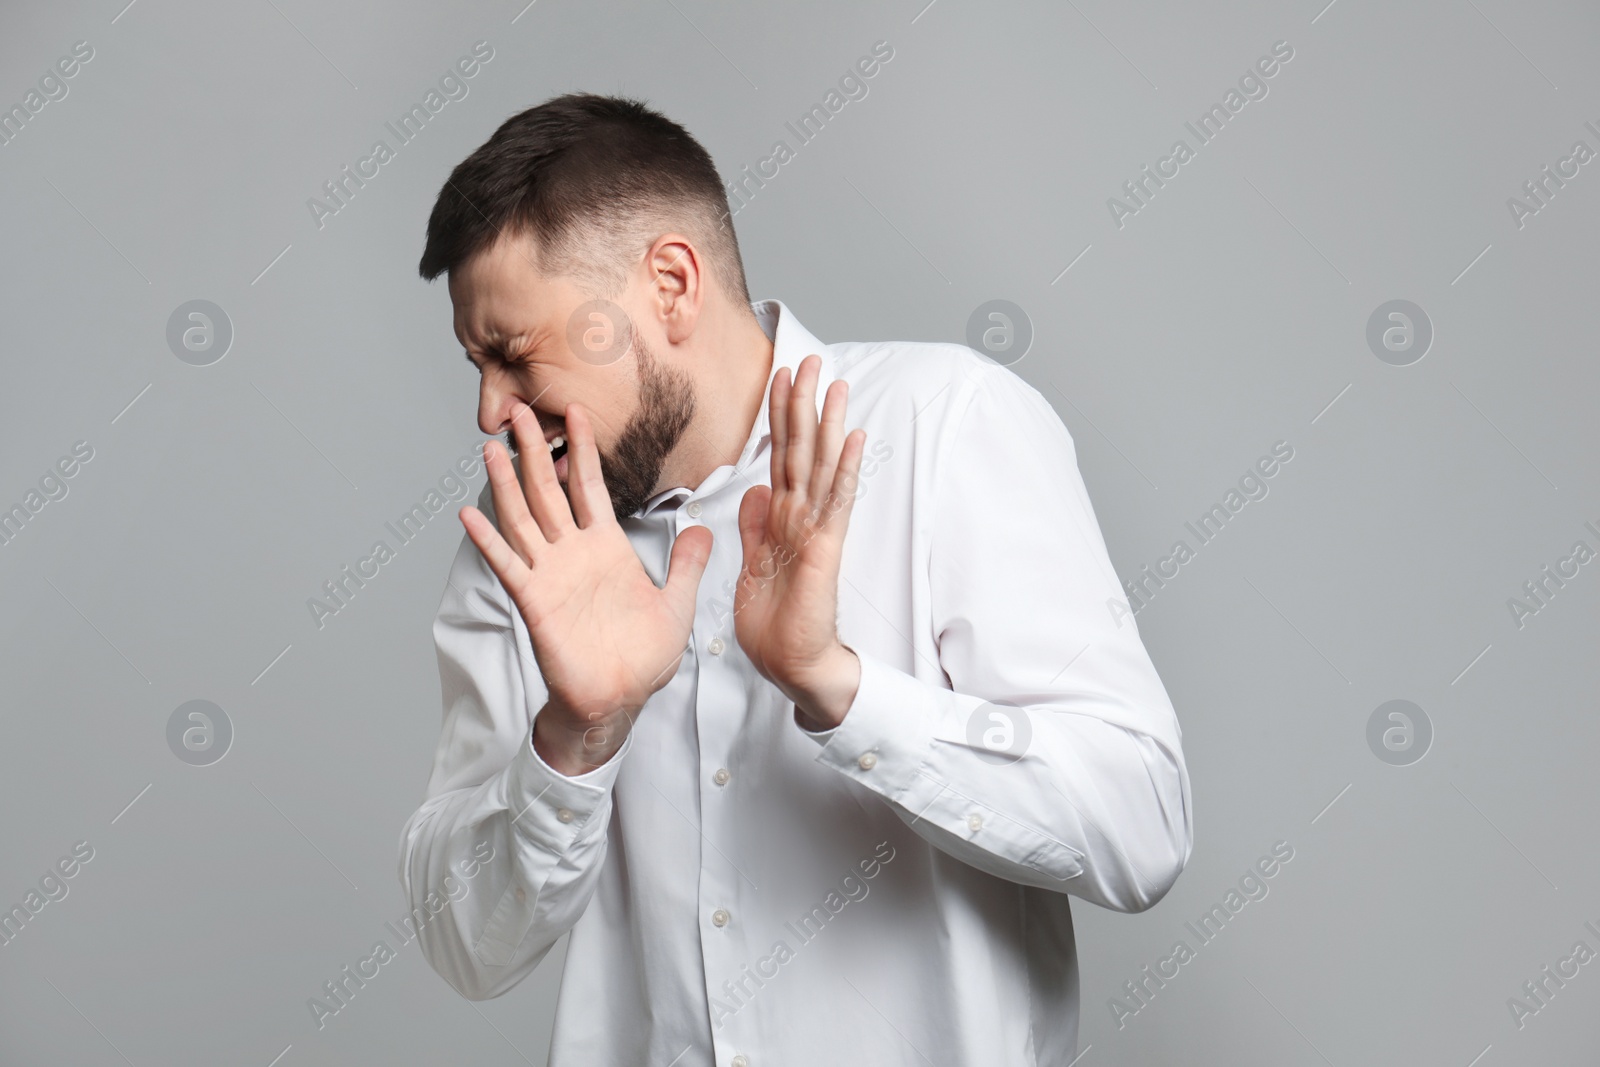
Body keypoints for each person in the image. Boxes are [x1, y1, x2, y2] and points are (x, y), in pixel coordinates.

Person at [397, 92, 1191, 1066]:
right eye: (475, 363)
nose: (489, 410)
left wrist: (838, 687)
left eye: (515, 355)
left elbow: (1140, 825)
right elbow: (466, 943)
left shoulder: (942, 427)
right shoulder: (524, 549)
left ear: (672, 284)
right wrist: (574, 735)